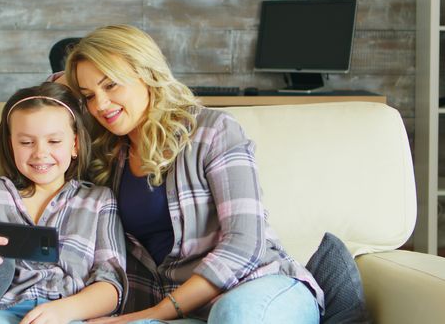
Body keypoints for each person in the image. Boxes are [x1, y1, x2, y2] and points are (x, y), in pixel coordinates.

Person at [58, 25, 324, 323]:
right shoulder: (106, 159)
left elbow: (245, 241)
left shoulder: (213, 131)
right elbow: (45, 122)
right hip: (179, 309)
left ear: (147, 74)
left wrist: (157, 313)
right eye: (88, 96)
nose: (100, 105)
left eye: (111, 85)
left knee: (236, 316)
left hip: (255, 288)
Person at [0, 82, 127, 324]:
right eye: (26, 143)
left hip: (69, 314)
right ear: (11, 145)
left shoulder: (99, 201)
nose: (40, 153)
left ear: (75, 145)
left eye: (54, 142)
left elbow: (112, 286)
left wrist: (64, 311)